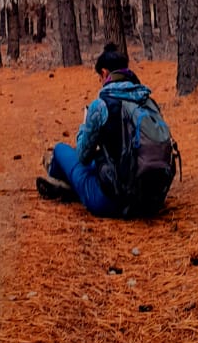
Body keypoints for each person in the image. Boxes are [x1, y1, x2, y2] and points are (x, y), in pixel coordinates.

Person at [37, 42, 153, 217]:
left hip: (111, 200)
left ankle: (62, 181)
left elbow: (83, 155)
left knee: (61, 150)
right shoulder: (146, 100)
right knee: (95, 163)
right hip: (149, 199)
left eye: (99, 78)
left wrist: (85, 125)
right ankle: (68, 185)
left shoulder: (101, 106)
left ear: (104, 73)